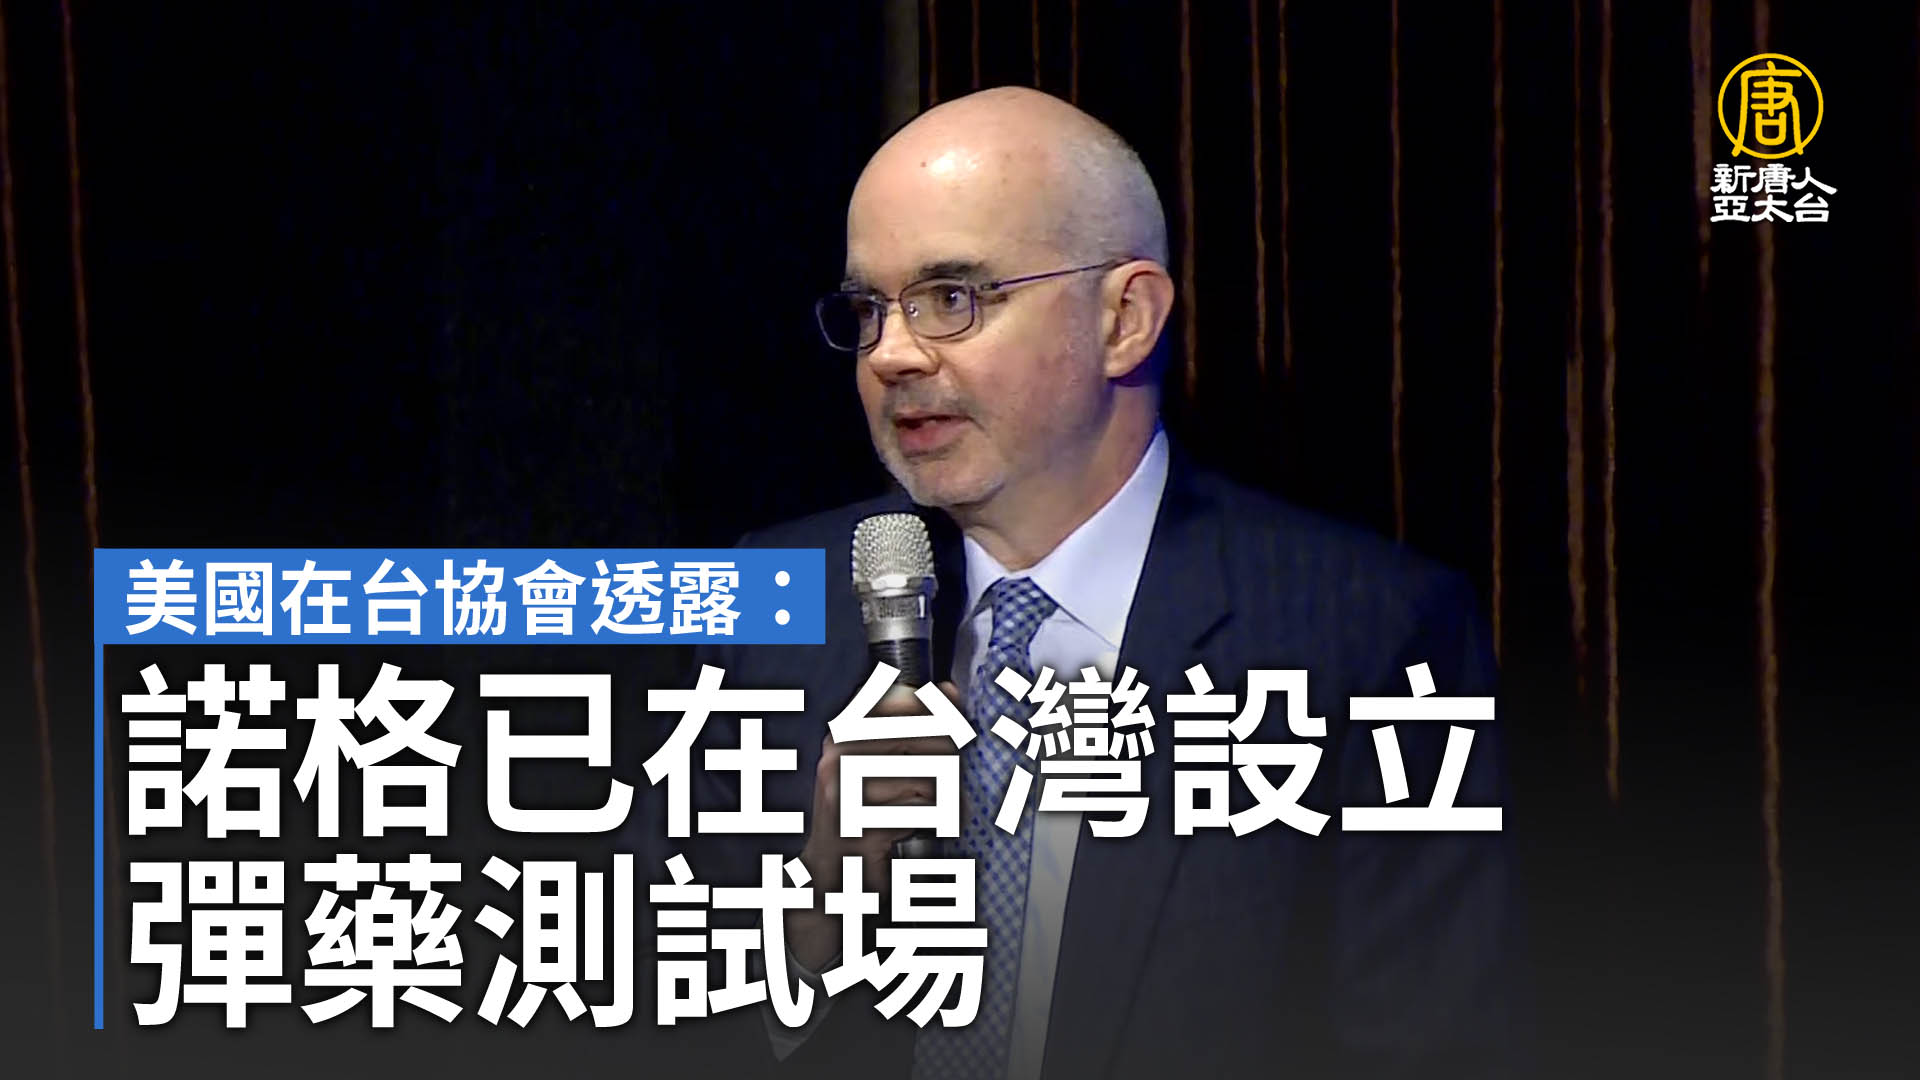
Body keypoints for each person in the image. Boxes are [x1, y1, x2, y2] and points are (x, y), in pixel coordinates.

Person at [667, 86, 1520, 1080]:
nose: (892, 354)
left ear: (1125, 318)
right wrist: (818, 907)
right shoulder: (775, 604)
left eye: (952, 299)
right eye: (870, 310)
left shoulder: (1369, 635)